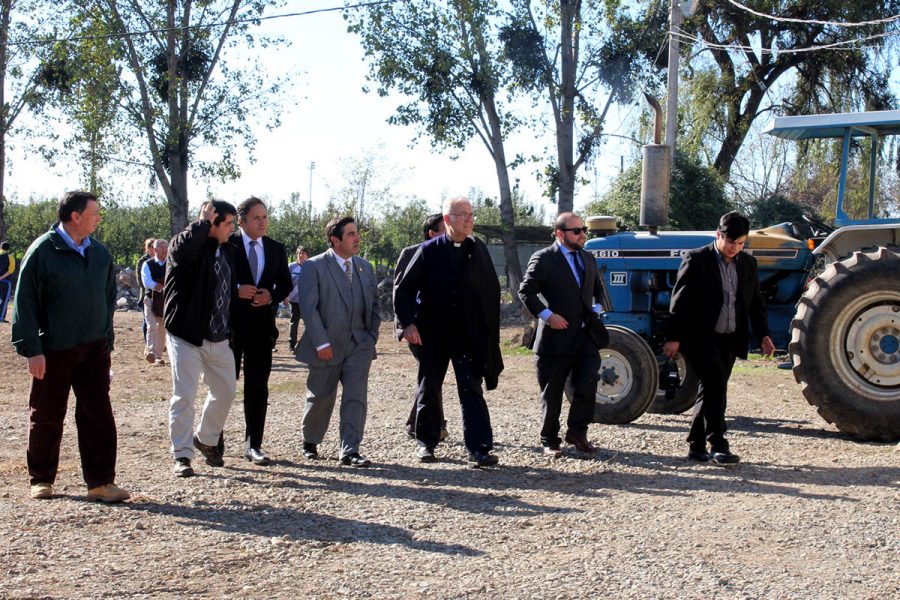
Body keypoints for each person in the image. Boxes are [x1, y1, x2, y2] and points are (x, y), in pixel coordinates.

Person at [11, 191, 130, 502]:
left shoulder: (100, 255)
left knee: (98, 414)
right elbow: (25, 304)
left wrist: (107, 343)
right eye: (94, 213)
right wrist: (32, 349)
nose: (99, 218)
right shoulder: (42, 252)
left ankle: (101, 483)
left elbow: (107, 302)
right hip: (53, 348)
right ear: (75, 216)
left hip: (94, 348)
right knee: (47, 414)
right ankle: (41, 479)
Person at [394, 196, 503, 466]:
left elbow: (491, 292)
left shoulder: (478, 250)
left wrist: (488, 333)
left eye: (471, 214)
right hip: (433, 334)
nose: (469, 220)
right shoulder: (428, 250)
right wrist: (408, 324)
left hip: (468, 336)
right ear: (447, 219)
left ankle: (478, 449)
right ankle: (425, 443)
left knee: (471, 389)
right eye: (462, 214)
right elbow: (403, 289)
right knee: (429, 387)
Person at [663, 211, 775, 465]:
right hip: (700, 336)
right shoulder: (696, 259)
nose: (734, 248)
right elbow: (679, 301)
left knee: (711, 388)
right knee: (716, 384)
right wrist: (673, 337)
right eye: (731, 242)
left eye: (741, 243)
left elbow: (756, 302)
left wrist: (764, 335)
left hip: (731, 337)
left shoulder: (748, 263)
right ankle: (718, 443)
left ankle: (696, 445)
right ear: (719, 235)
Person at [519, 212, 609, 457]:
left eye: (583, 230)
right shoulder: (544, 259)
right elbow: (526, 291)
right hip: (554, 340)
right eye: (577, 231)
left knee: (588, 383)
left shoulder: (587, 258)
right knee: (553, 391)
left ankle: (578, 433)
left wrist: (597, 309)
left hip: (584, 337)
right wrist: (548, 316)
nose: (582, 235)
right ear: (560, 233)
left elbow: (598, 287)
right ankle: (549, 439)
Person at [296, 216, 381, 467]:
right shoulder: (314, 266)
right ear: (335, 240)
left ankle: (350, 449)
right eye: (351, 234)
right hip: (327, 347)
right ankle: (310, 441)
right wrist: (321, 343)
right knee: (321, 395)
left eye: (357, 233)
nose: (357, 238)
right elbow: (309, 309)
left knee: (356, 397)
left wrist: (371, 338)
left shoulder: (365, 267)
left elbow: (375, 305)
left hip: (359, 346)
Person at [164, 200, 238, 478]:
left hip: (219, 336)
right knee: (184, 396)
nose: (232, 229)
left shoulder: (228, 250)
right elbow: (183, 252)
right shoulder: (183, 245)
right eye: (228, 223)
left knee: (226, 391)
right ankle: (182, 455)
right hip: (187, 335)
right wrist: (201, 223)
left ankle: (205, 439)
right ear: (212, 223)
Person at [228, 197, 292, 466]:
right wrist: (235, 291)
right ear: (241, 221)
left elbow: (286, 284)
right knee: (224, 388)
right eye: (256, 217)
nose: (263, 222)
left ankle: (253, 444)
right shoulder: (225, 244)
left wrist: (272, 296)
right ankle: (213, 442)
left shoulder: (276, 248)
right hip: (229, 329)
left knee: (257, 389)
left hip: (261, 330)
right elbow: (213, 282)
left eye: (265, 216)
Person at [392, 213, 448, 441]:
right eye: (445, 229)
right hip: (415, 326)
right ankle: (434, 424)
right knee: (430, 372)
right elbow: (400, 291)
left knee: (431, 374)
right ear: (432, 234)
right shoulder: (410, 253)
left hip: (440, 326)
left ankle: (417, 422)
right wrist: (406, 325)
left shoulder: (454, 252)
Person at [141, 239, 168, 365]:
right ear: (156, 249)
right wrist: (161, 286)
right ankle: (150, 351)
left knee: (162, 327)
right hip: (150, 299)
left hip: (166, 300)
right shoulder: (147, 264)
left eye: (166, 247)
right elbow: (147, 282)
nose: (166, 249)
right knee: (151, 325)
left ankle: (157, 355)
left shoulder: (171, 264)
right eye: (162, 247)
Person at [287, 246, 310, 352]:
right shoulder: (291, 267)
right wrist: (285, 296)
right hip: (294, 300)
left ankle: (305, 344)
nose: (300, 255)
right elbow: (286, 282)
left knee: (309, 323)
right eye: (299, 253)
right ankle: (292, 344)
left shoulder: (311, 266)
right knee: (294, 322)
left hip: (308, 300)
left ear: (307, 255)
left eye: (303, 253)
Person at [136, 238, 156, 343]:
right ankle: (148, 344)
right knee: (147, 321)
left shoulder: (162, 259)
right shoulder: (142, 261)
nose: (155, 249)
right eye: (152, 247)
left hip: (161, 296)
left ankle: (158, 343)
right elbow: (140, 281)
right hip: (146, 296)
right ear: (147, 249)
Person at [0, 241, 15, 322]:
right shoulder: (10, 257)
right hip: (6, 282)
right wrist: (2, 277)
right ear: (9, 249)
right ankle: (1, 317)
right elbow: (11, 270)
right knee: (4, 299)